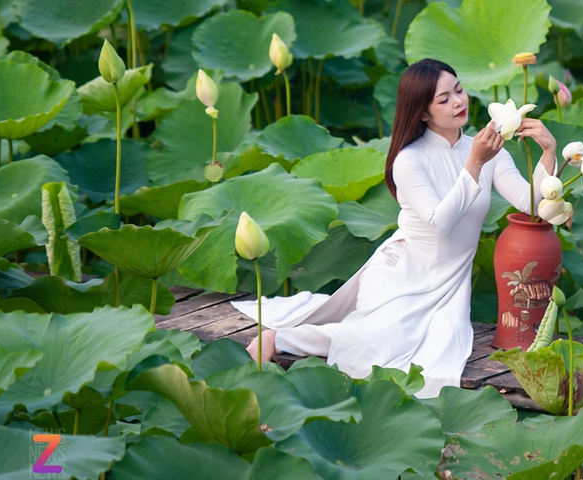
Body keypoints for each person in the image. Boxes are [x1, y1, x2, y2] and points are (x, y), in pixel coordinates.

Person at [237, 59, 557, 398]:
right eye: (444, 99)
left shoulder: (485, 149)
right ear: (422, 113)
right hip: (400, 273)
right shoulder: (411, 160)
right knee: (381, 340)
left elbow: (533, 204)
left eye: (459, 90)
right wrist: (475, 164)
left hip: (450, 283)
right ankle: (280, 337)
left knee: (442, 346)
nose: (459, 102)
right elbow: (441, 223)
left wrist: (548, 150)